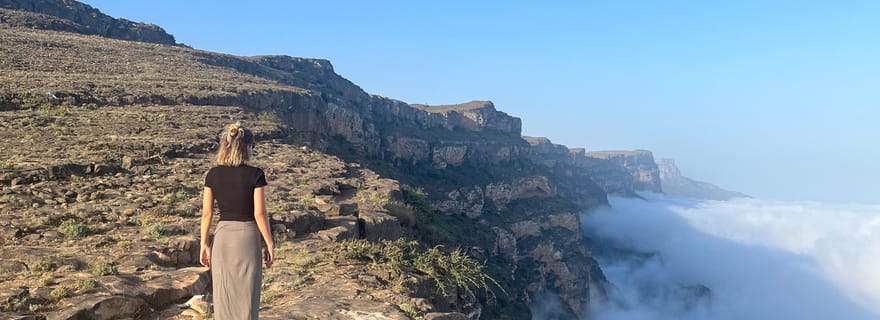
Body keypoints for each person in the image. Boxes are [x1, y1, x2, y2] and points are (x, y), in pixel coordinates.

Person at [199, 122, 274, 319]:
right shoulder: (255, 174)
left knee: (224, 297)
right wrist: (269, 243)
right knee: (247, 298)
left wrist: (204, 244)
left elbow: (207, 214)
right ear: (247, 147)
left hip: (223, 238)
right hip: (248, 238)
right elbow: (259, 214)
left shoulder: (212, 175)